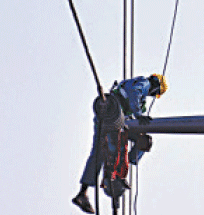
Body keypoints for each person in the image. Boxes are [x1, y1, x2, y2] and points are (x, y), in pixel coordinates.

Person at [72, 74, 168, 214]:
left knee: (98, 154)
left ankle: (83, 192)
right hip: (114, 113)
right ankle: (119, 169)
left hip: (107, 116)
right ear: (155, 88)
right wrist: (139, 116)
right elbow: (134, 92)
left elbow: (135, 111)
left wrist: (139, 116)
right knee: (144, 140)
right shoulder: (144, 83)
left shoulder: (140, 101)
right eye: (155, 94)